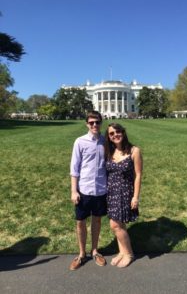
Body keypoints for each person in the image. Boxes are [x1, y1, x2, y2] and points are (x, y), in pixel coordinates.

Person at [69, 111, 107, 270]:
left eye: (97, 122)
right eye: (91, 122)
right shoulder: (80, 141)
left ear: (101, 123)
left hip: (100, 189)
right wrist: (73, 190)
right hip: (83, 189)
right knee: (80, 222)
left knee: (97, 221)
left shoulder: (106, 141)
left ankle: (95, 251)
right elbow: (74, 168)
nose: (94, 125)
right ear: (87, 124)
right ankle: (82, 253)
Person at [104, 122, 143, 268]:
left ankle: (129, 254)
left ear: (123, 132)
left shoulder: (134, 151)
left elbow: (138, 175)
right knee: (119, 224)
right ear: (109, 137)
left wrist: (135, 197)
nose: (115, 135)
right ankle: (122, 251)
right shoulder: (109, 151)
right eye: (111, 134)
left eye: (118, 131)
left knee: (115, 224)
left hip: (125, 192)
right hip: (111, 192)